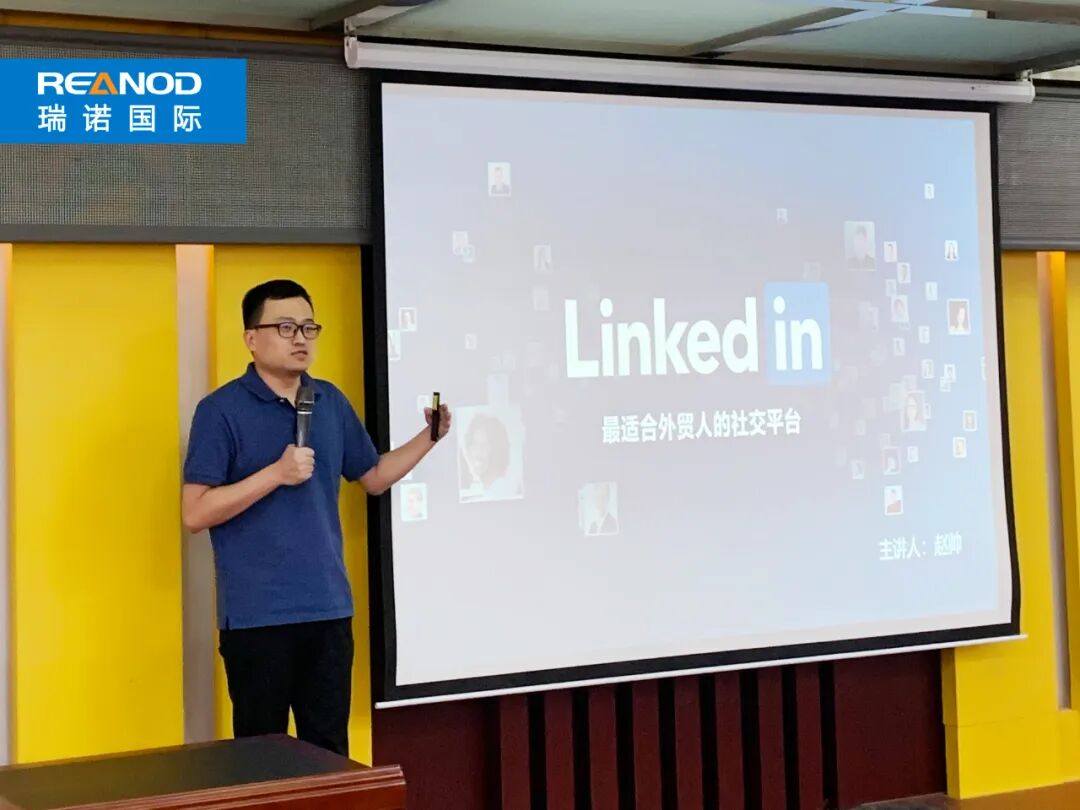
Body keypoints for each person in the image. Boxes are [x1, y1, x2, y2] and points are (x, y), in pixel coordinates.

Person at [182, 279, 451, 757]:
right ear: (251, 338)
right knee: (261, 758)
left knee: (329, 754)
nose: (300, 338)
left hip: (328, 610)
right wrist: (275, 474)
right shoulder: (220, 410)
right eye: (286, 327)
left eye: (309, 327)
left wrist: (428, 437)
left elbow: (373, 476)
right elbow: (196, 511)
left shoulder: (329, 401)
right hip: (257, 616)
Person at [459, 411, 520, 501]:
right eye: (475, 444)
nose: (478, 451)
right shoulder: (475, 490)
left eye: (484, 445)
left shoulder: (503, 490)